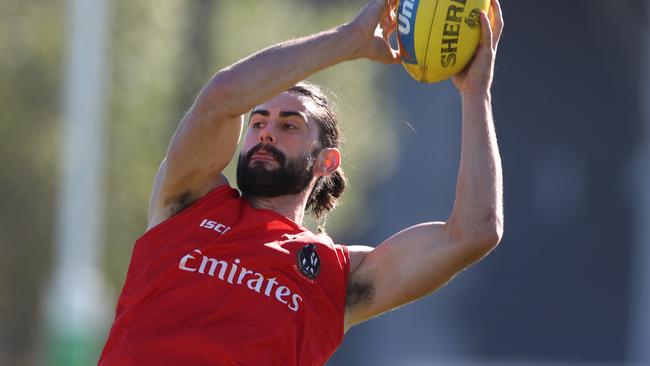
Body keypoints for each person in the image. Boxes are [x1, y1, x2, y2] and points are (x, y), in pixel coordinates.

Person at [98, 0, 504, 364]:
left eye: (289, 125)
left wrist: (474, 93)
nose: (266, 132)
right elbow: (223, 95)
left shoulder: (337, 277)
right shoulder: (186, 202)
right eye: (258, 122)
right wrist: (352, 40)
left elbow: (474, 232)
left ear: (326, 161)